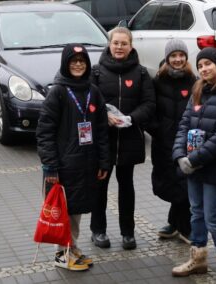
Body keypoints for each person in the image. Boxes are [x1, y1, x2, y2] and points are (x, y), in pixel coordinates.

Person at [36, 43, 110, 271]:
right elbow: (44, 130)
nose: (78, 65)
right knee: (62, 211)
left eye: (82, 61)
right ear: (65, 64)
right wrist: (50, 165)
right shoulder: (58, 91)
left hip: (86, 163)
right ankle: (61, 254)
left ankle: (72, 247)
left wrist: (104, 160)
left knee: (75, 209)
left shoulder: (92, 91)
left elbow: (101, 129)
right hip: (62, 165)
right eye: (73, 61)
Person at [172, 47, 216, 283]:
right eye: (200, 65)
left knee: (213, 215)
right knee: (196, 213)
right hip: (192, 166)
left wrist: (194, 159)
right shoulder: (197, 90)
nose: (204, 68)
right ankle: (198, 258)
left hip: (214, 166)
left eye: (208, 64)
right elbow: (184, 125)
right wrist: (180, 155)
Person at [90, 27, 155, 250]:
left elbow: (149, 104)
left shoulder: (142, 73)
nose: (119, 47)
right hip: (103, 141)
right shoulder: (96, 72)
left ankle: (128, 233)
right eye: (115, 43)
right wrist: (104, 115)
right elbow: (89, 103)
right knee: (100, 186)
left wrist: (131, 118)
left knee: (126, 187)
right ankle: (97, 231)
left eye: (123, 43)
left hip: (129, 139)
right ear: (109, 45)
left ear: (131, 46)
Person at [149, 39, 196, 244]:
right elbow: (149, 108)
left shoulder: (194, 81)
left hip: (187, 144)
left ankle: (185, 227)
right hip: (163, 143)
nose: (177, 59)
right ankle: (174, 223)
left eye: (181, 55)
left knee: (184, 185)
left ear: (186, 57)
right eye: (173, 56)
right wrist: (157, 131)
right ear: (167, 58)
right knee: (167, 184)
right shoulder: (158, 81)